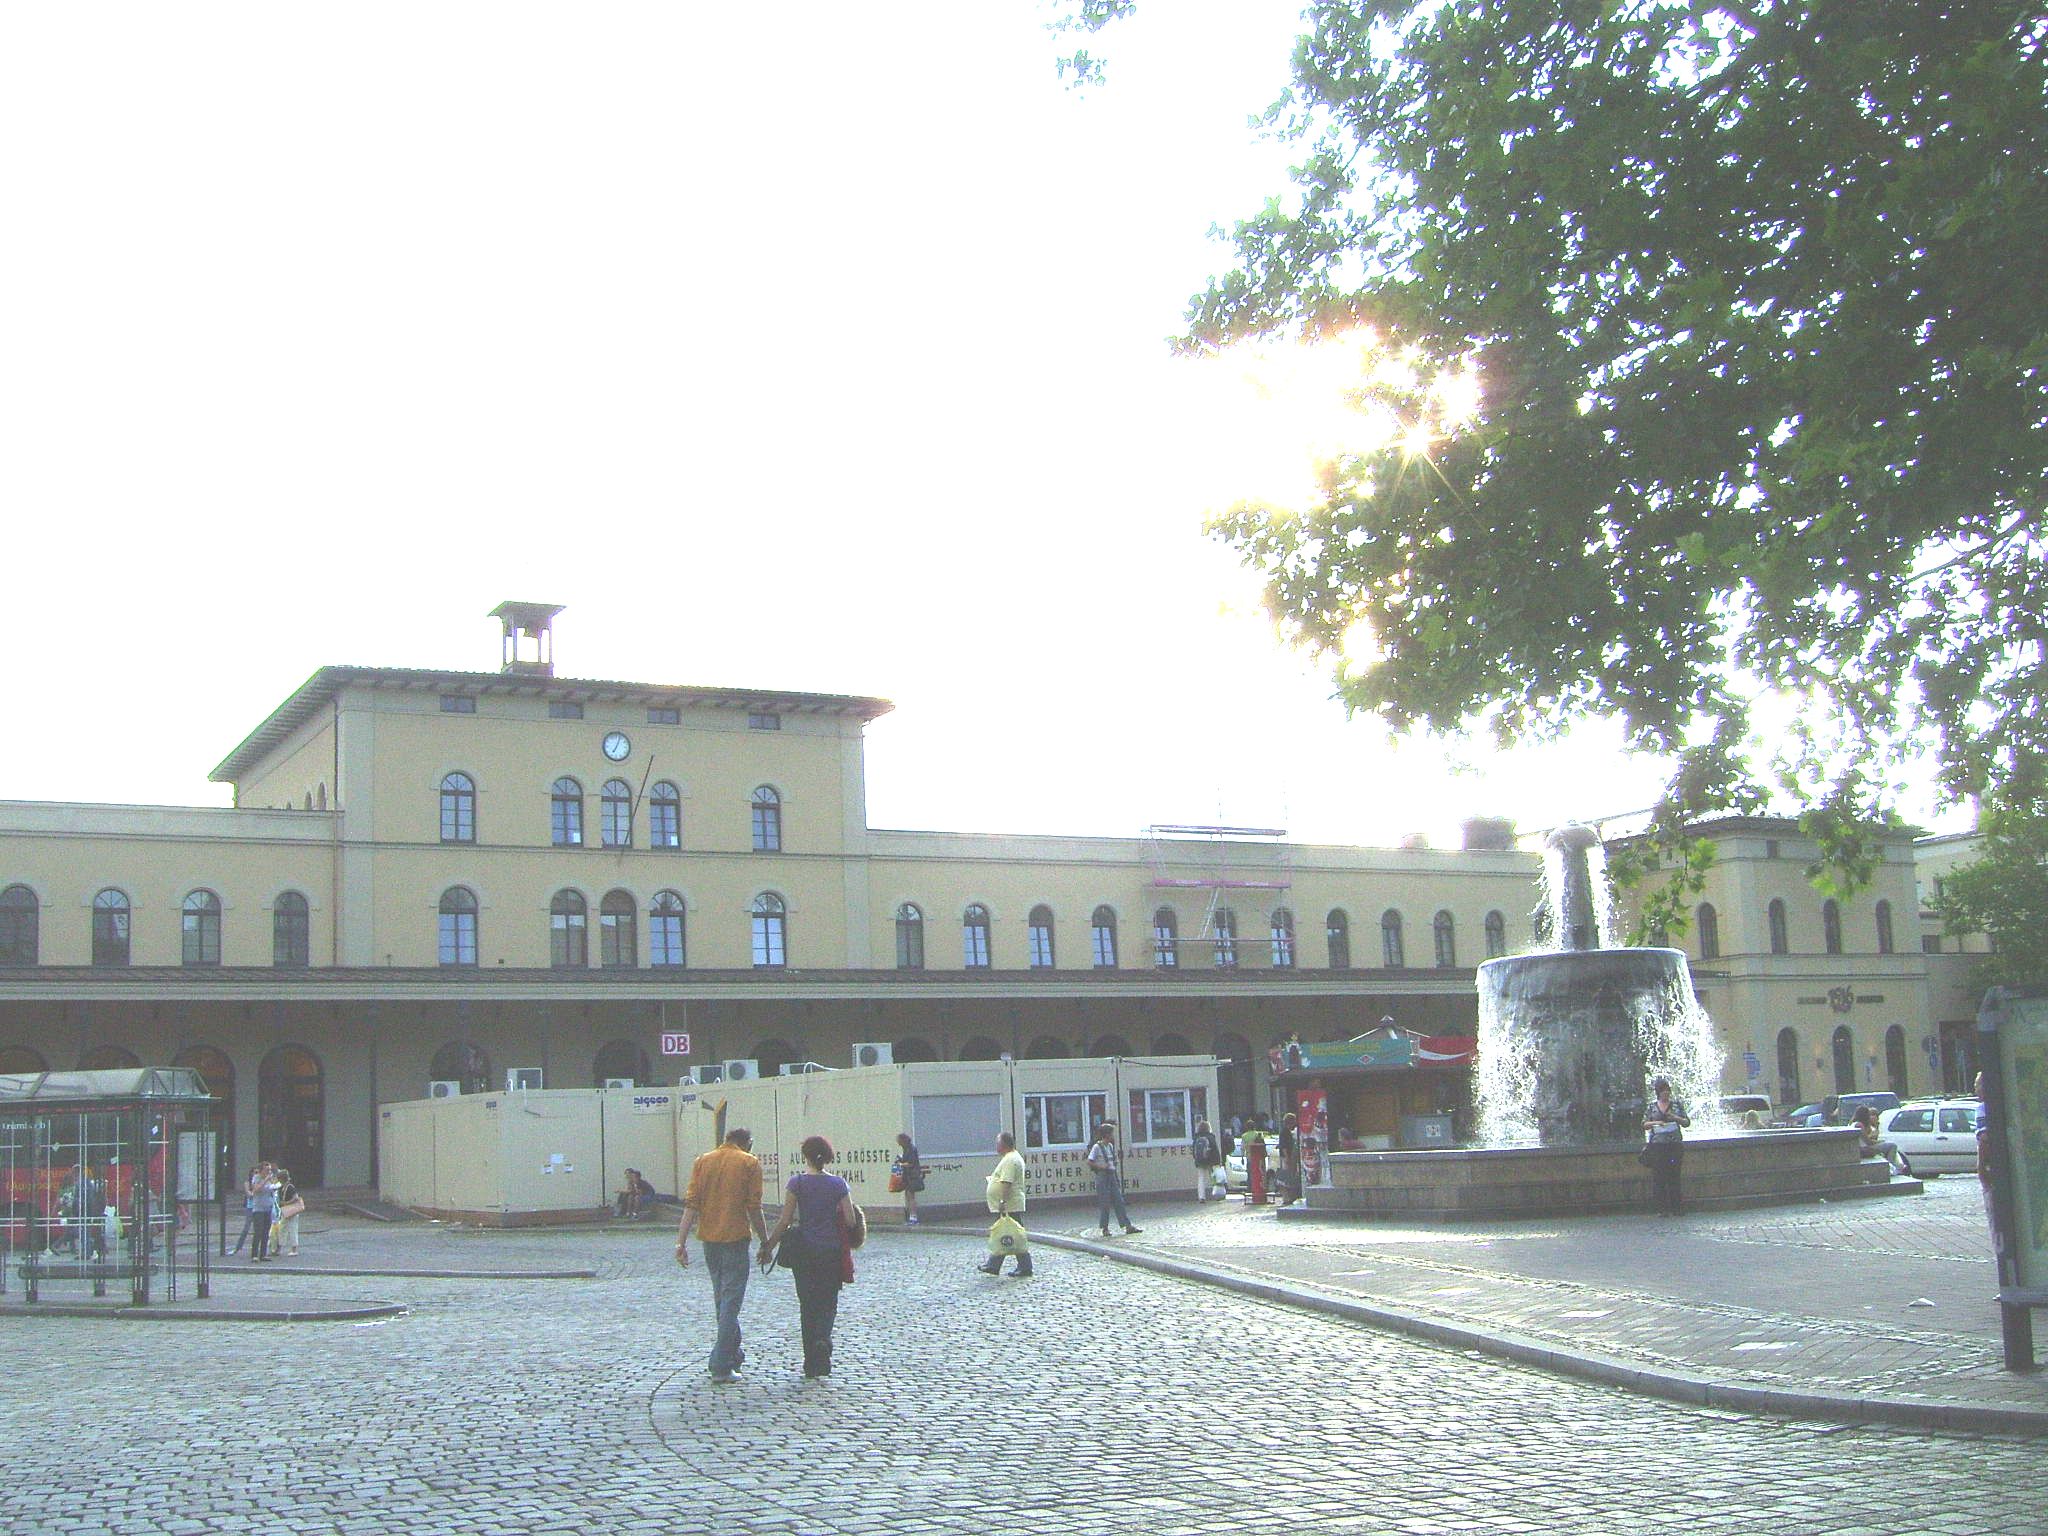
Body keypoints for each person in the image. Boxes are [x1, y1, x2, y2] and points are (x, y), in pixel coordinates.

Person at [761, 1135, 863, 1379]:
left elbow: (785, 1220)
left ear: (804, 1156)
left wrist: (768, 1246)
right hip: (831, 1251)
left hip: (804, 1253)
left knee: (807, 1305)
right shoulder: (839, 1184)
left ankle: (810, 1363)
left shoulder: (796, 1183)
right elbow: (850, 1220)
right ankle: (823, 1341)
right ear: (827, 1156)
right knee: (828, 1302)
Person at [675, 1127, 769, 1385]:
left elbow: (691, 1205)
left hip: (709, 1240)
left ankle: (733, 1354)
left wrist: (680, 1243)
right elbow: (754, 1207)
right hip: (736, 1239)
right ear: (747, 1142)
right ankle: (721, 1364)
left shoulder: (702, 1161)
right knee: (730, 1303)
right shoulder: (749, 1163)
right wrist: (765, 1241)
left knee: (722, 1301)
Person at [975, 1130, 1031, 1277]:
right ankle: (995, 1265)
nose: (996, 1146)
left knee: (1014, 1235)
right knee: (1005, 1233)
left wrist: (1002, 1200)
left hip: (1009, 1204)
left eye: (997, 1143)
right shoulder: (1010, 1157)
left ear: (1004, 1144)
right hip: (1009, 1203)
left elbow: (1007, 1182)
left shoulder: (1010, 1160)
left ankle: (1023, 1267)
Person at [1641, 1076, 1691, 1217]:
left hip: (1674, 1146)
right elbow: (1644, 1124)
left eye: (1668, 1091)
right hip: (1658, 1146)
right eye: (1663, 1091)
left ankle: (1677, 1207)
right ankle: (1661, 1208)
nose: (1666, 1093)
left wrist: (1676, 1118)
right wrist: (1656, 1123)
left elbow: (1687, 1122)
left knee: (1674, 1176)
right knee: (1659, 1177)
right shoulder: (1652, 1107)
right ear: (1658, 1093)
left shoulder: (1676, 1105)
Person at [1085, 1120, 1141, 1236]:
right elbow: (1089, 1162)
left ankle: (1127, 1225)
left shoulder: (1110, 1146)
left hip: (1111, 1174)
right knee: (1105, 1202)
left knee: (1119, 1201)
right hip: (1102, 1175)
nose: (1112, 1136)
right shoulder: (1097, 1147)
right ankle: (1105, 1228)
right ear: (1106, 1134)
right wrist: (1101, 1166)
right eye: (1111, 1133)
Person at [1851, 1106, 1912, 1176]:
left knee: (1888, 1145)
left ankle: (1897, 1166)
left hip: (1861, 1148)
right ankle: (1890, 1168)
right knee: (1892, 1146)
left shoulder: (1853, 1124)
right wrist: (1880, 1142)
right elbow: (1868, 1142)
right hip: (1864, 1149)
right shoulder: (1859, 1125)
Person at [250, 1163, 281, 1261]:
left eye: (270, 1170)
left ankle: (263, 1254)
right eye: (267, 1169)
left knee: (266, 1232)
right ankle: (254, 1255)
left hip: (268, 1208)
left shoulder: (270, 1179)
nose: (269, 1172)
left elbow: (273, 1188)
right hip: (258, 1209)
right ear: (261, 1170)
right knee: (258, 1231)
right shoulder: (256, 1178)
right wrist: (266, 1180)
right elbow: (256, 1189)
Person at [893, 1131, 924, 1225]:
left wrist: (901, 1164)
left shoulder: (911, 1149)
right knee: (908, 1196)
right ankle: (911, 1217)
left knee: (911, 1196)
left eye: (899, 1141)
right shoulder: (906, 1148)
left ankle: (913, 1217)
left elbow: (911, 1163)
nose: (898, 1143)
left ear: (903, 1140)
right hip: (908, 1176)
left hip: (912, 1176)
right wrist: (900, 1159)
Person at [271, 1167, 303, 1257]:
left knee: (292, 1229)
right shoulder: (282, 1187)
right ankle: (279, 1248)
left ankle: (294, 1249)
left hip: (291, 1211)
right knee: (282, 1229)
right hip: (285, 1211)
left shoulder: (290, 1187)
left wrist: (286, 1203)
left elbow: (296, 1197)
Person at [1190, 1119, 1224, 1201]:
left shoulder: (1196, 1137)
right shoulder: (1211, 1136)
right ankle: (1217, 1195)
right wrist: (1218, 1162)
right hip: (1211, 1160)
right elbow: (1215, 1150)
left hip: (1200, 1161)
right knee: (1213, 1178)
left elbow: (1193, 1150)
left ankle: (1201, 1197)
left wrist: (1196, 1159)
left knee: (1201, 1178)